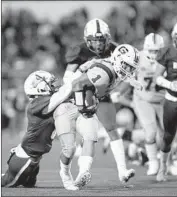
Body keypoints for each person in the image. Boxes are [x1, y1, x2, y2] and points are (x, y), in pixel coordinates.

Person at [63, 19, 139, 186]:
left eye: (101, 40)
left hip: (103, 94)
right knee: (86, 135)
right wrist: (87, 68)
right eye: (94, 40)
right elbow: (68, 78)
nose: (98, 44)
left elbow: (126, 75)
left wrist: (117, 91)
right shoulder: (79, 50)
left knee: (112, 129)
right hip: (81, 93)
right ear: (87, 39)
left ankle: (122, 171)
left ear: (107, 38)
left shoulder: (116, 50)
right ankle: (79, 172)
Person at [1, 70, 79, 190]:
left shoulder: (43, 102)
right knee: (5, 182)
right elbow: (61, 95)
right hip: (24, 159)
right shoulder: (36, 103)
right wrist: (73, 79)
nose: (53, 86)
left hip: (33, 159)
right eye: (49, 84)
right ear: (40, 87)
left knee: (29, 186)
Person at [133, 33, 165, 175]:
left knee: (169, 134)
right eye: (151, 50)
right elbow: (127, 77)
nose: (154, 54)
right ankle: (153, 161)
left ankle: (169, 162)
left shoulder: (169, 58)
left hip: (163, 99)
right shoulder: (138, 58)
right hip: (143, 99)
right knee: (151, 132)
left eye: (157, 51)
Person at [155, 23, 177, 182]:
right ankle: (163, 166)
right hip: (171, 99)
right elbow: (157, 77)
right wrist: (171, 84)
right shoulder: (168, 52)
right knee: (168, 136)